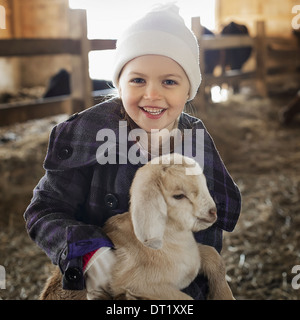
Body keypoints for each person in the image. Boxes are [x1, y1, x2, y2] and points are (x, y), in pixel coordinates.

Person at [24, 4, 241, 300]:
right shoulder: (88, 135)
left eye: (169, 81)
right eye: (138, 80)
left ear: (188, 89)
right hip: (105, 285)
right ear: (120, 84)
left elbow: (207, 229)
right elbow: (44, 211)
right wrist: (85, 251)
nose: (152, 94)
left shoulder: (196, 141)